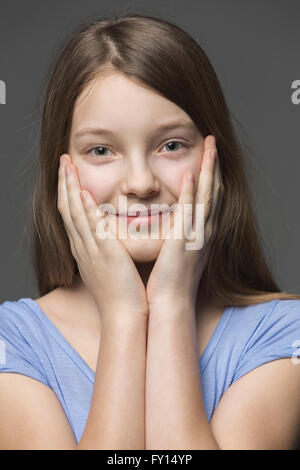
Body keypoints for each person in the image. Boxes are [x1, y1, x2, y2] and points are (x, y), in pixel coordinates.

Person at [0, 13, 300, 450]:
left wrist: (172, 303)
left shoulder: (284, 335)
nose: (140, 183)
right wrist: (124, 316)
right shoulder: (13, 343)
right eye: (101, 150)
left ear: (214, 159)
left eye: (171, 145)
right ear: (61, 170)